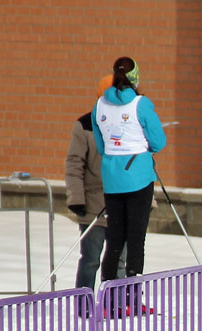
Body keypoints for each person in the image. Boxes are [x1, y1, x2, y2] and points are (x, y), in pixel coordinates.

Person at [92, 56, 166, 291]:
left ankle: (107, 295)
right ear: (135, 78)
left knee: (115, 238)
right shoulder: (140, 104)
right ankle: (132, 295)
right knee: (135, 238)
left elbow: (101, 146)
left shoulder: (99, 105)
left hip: (112, 179)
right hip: (138, 177)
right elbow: (159, 141)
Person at [65, 75, 125, 290]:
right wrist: (76, 198)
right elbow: (74, 164)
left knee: (120, 262)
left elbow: (141, 164)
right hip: (92, 206)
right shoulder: (85, 125)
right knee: (90, 260)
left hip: (123, 205)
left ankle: (118, 302)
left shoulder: (130, 123)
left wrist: (147, 201)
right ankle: (85, 302)